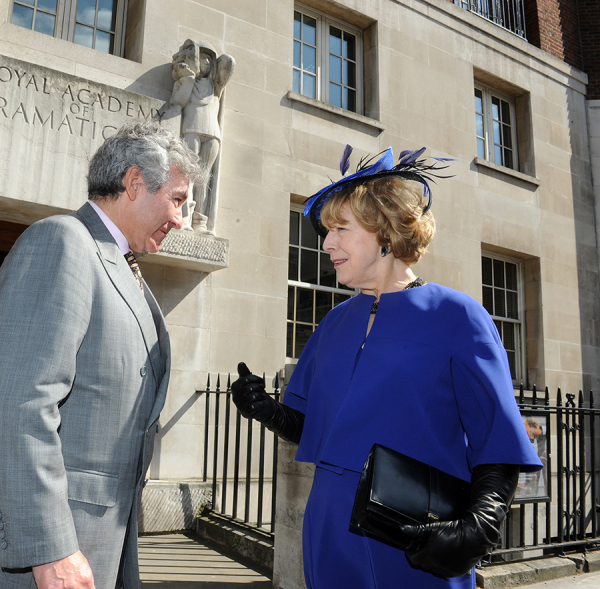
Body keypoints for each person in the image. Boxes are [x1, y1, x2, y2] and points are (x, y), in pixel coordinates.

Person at [232, 146, 542, 588]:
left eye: (341, 228)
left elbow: (497, 440)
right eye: (326, 231)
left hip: (413, 543)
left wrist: (480, 527)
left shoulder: (457, 316)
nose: (327, 243)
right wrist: (267, 410)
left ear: (384, 233)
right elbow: (316, 427)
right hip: (327, 531)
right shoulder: (334, 321)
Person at [0, 121, 204, 589]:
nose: (180, 219)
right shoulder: (62, 242)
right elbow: (21, 404)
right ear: (135, 183)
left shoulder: (117, 262)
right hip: (40, 554)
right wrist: (49, 546)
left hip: (96, 538)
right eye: (177, 199)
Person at [167, 39, 234, 235]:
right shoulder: (184, 81)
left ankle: (200, 222)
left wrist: (211, 56)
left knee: (204, 179)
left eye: (208, 61)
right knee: (186, 176)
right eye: (201, 59)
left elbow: (229, 63)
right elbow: (177, 103)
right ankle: (184, 218)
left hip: (212, 133)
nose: (204, 64)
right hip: (190, 130)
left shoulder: (216, 86)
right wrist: (187, 76)